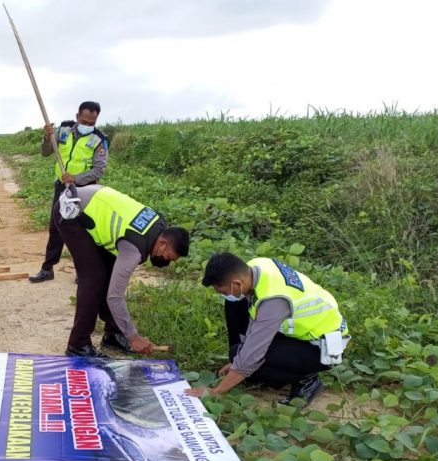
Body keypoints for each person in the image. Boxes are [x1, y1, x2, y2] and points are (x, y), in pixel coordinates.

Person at [185, 252, 350, 406]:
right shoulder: (256, 266)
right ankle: (245, 371)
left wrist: (216, 391)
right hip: (304, 332)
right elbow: (254, 317)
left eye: (223, 291)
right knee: (235, 311)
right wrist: (237, 362)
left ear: (236, 283)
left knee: (252, 358)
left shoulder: (273, 301)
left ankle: (307, 379)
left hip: (323, 348)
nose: (223, 294)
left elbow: (254, 352)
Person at [56, 185, 190, 357]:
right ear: (163, 243)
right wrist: (133, 336)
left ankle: (113, 334)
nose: (166, 261)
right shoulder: (134, 249)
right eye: (168, 256)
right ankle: (78, 344)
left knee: (111, 272)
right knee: (94, 279)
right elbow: (114, 296)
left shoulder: (159, 224)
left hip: (92, 205)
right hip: (71, 211)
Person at [29, 101, 108, 283]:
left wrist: (75, 178)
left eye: (92, 123)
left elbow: (99, 170)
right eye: (85, 121)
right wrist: (47, 138)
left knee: (83, 232)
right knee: (56, 227)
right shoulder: (63, 130)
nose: (88, 125)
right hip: (61, 188)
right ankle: (47, 268)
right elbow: (46, 152)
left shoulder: (99, 140)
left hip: (84, 190)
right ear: (77, 117)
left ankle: (84, 272)